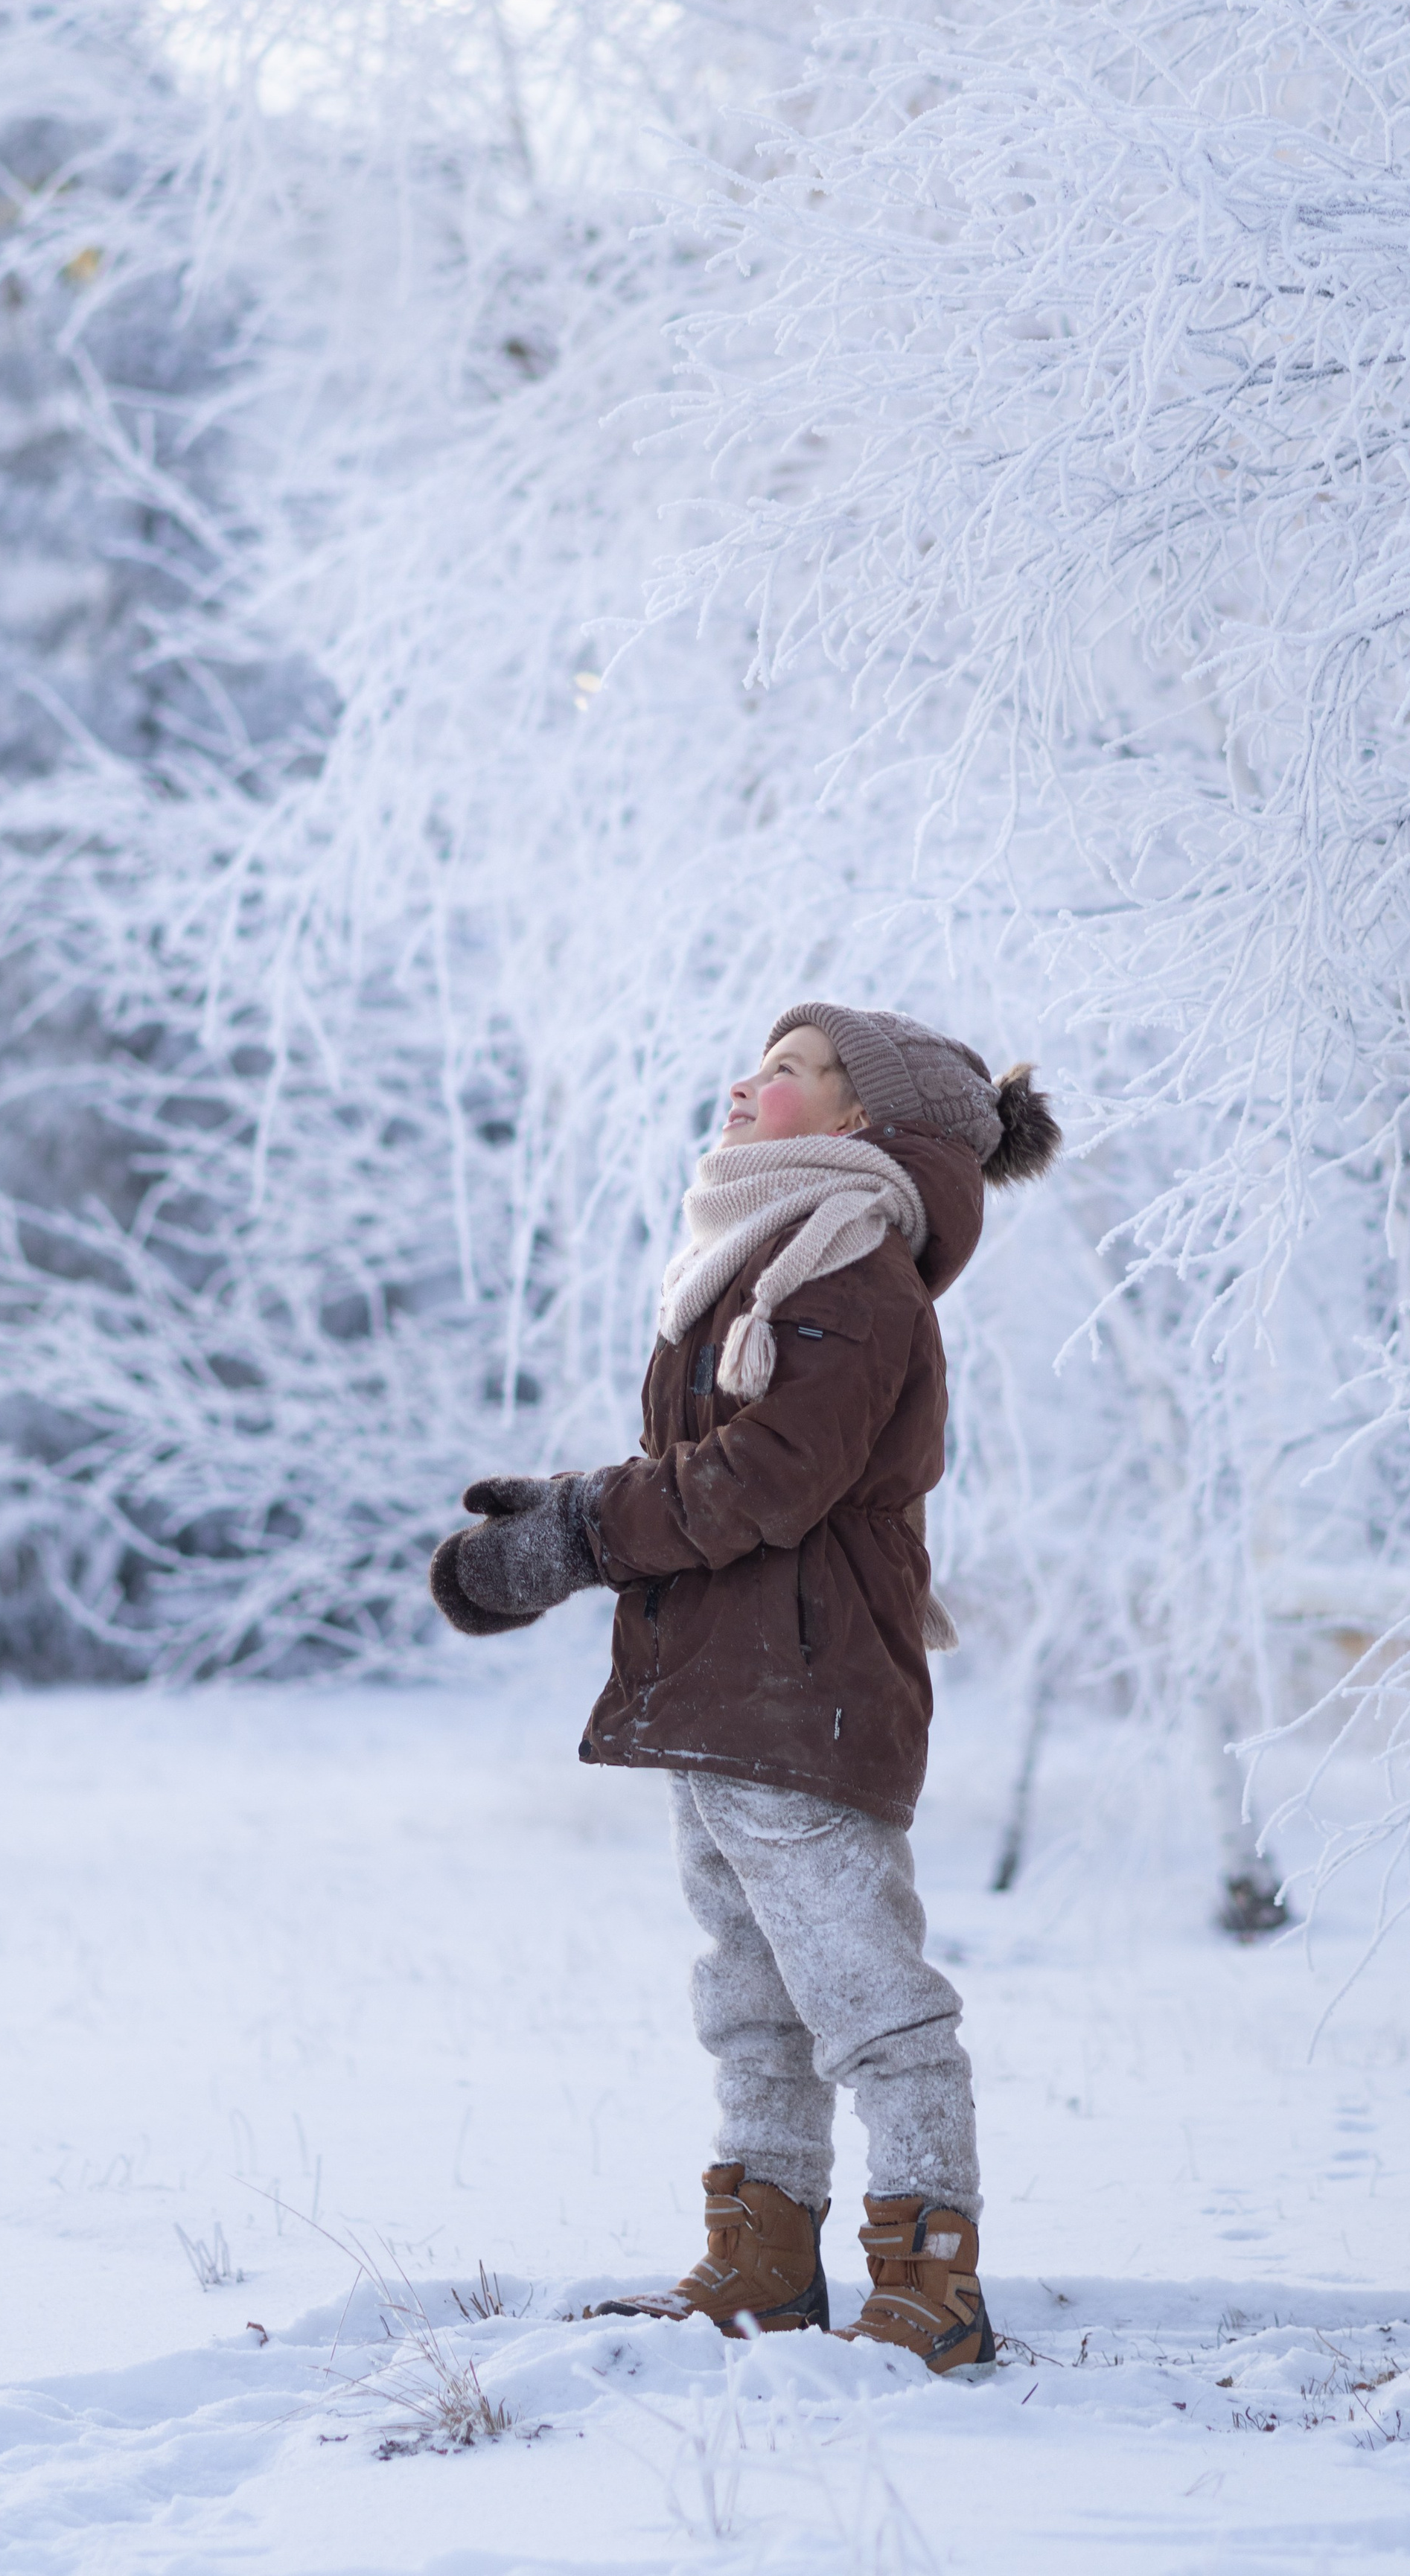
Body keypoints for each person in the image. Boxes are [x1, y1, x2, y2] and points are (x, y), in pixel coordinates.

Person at [430, 1003, 1059, 2374]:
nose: (744, 1082)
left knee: (863, 1985)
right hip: (733, 1681)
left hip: (809, 1685)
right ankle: (764, 2259)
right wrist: (570, 1510)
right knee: (752, 1990)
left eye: (786, 1070)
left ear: (859, 1120)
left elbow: (771, 1476)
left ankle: (929, 2268)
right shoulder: (768, 1251)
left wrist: (585, 1530)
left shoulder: (851, 1264)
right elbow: (727, 1463)